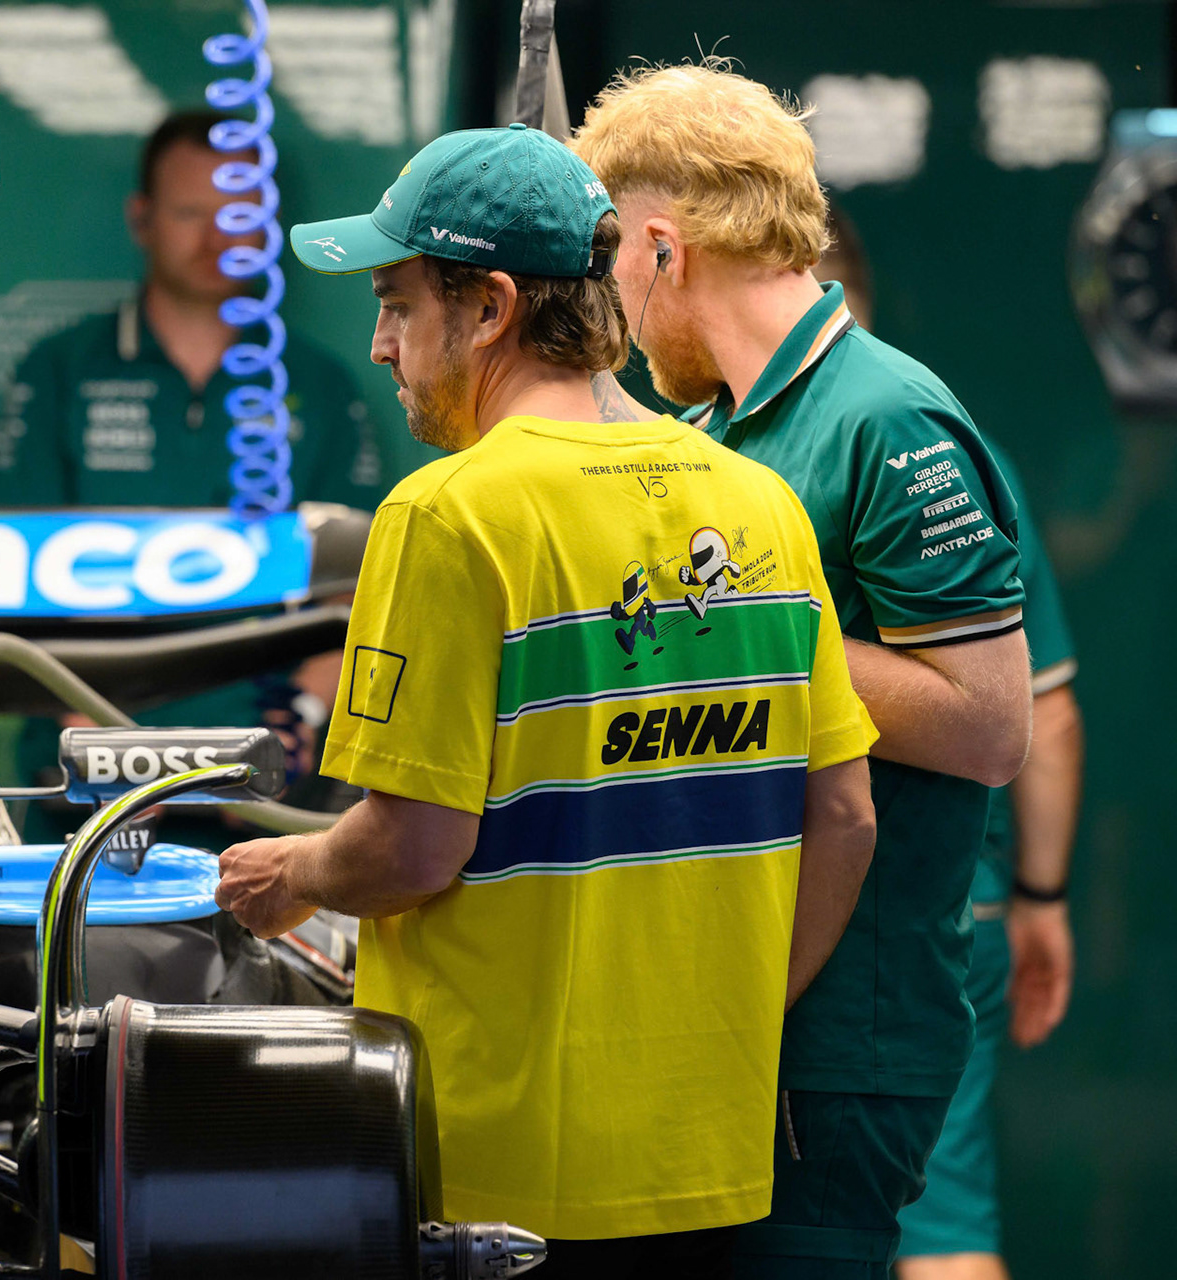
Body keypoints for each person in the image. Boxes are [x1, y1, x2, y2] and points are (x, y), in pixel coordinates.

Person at [215, 123, 879, 1279]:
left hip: (499, 1183)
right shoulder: (760, 502)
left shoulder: (448, 514)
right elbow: (846, 816)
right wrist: (720, 1022)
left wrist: (295, 874)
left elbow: (415, 847)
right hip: (710, 1156)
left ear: (492, 309)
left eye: (397, 304)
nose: (379, 344)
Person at [574, 63, 1035, 1279]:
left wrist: (763, 631)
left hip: (841, 1037)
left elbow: (994, 729)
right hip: (729, 1010)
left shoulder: (889, 418)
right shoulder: (712, 428)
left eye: (610, 264)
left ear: (662, 248)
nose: (608, 307)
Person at [812, 208, 1086, 1280]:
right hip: (943, 902)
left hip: (782, 901)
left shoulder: (710, 458)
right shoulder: (956, 442)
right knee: (941, 1219)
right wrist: (1041, 894)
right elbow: (1049, 716)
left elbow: (1016, 716)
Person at [0, 108, 385, 509]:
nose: (216, 239)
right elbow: (17, 541)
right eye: (190, 213)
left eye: (238, 216)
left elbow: (351, 559)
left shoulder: (322, 384)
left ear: (270, 223)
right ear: (141, 220)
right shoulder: (58, 369)